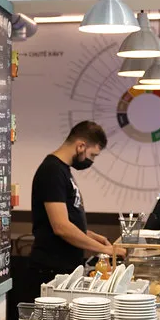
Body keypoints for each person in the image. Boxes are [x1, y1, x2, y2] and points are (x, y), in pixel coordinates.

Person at [20, 121, 115, 303]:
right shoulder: (52, 171)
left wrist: (94, 237)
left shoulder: (63, 171)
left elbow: (69, 222)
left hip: (64, 269)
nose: (91, 161)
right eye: (92, 155)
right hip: (50, 270)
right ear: (81, 146)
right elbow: (61, 227)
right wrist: (104, 250)